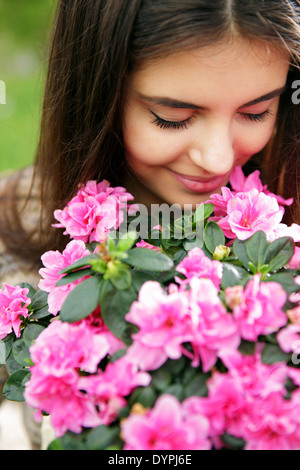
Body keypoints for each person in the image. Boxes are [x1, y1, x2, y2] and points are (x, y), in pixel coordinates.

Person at [0, 0, 299, 449]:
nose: (216, 158)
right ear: (97, 92)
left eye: (256, 111)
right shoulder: (11, 231)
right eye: (172, 117)